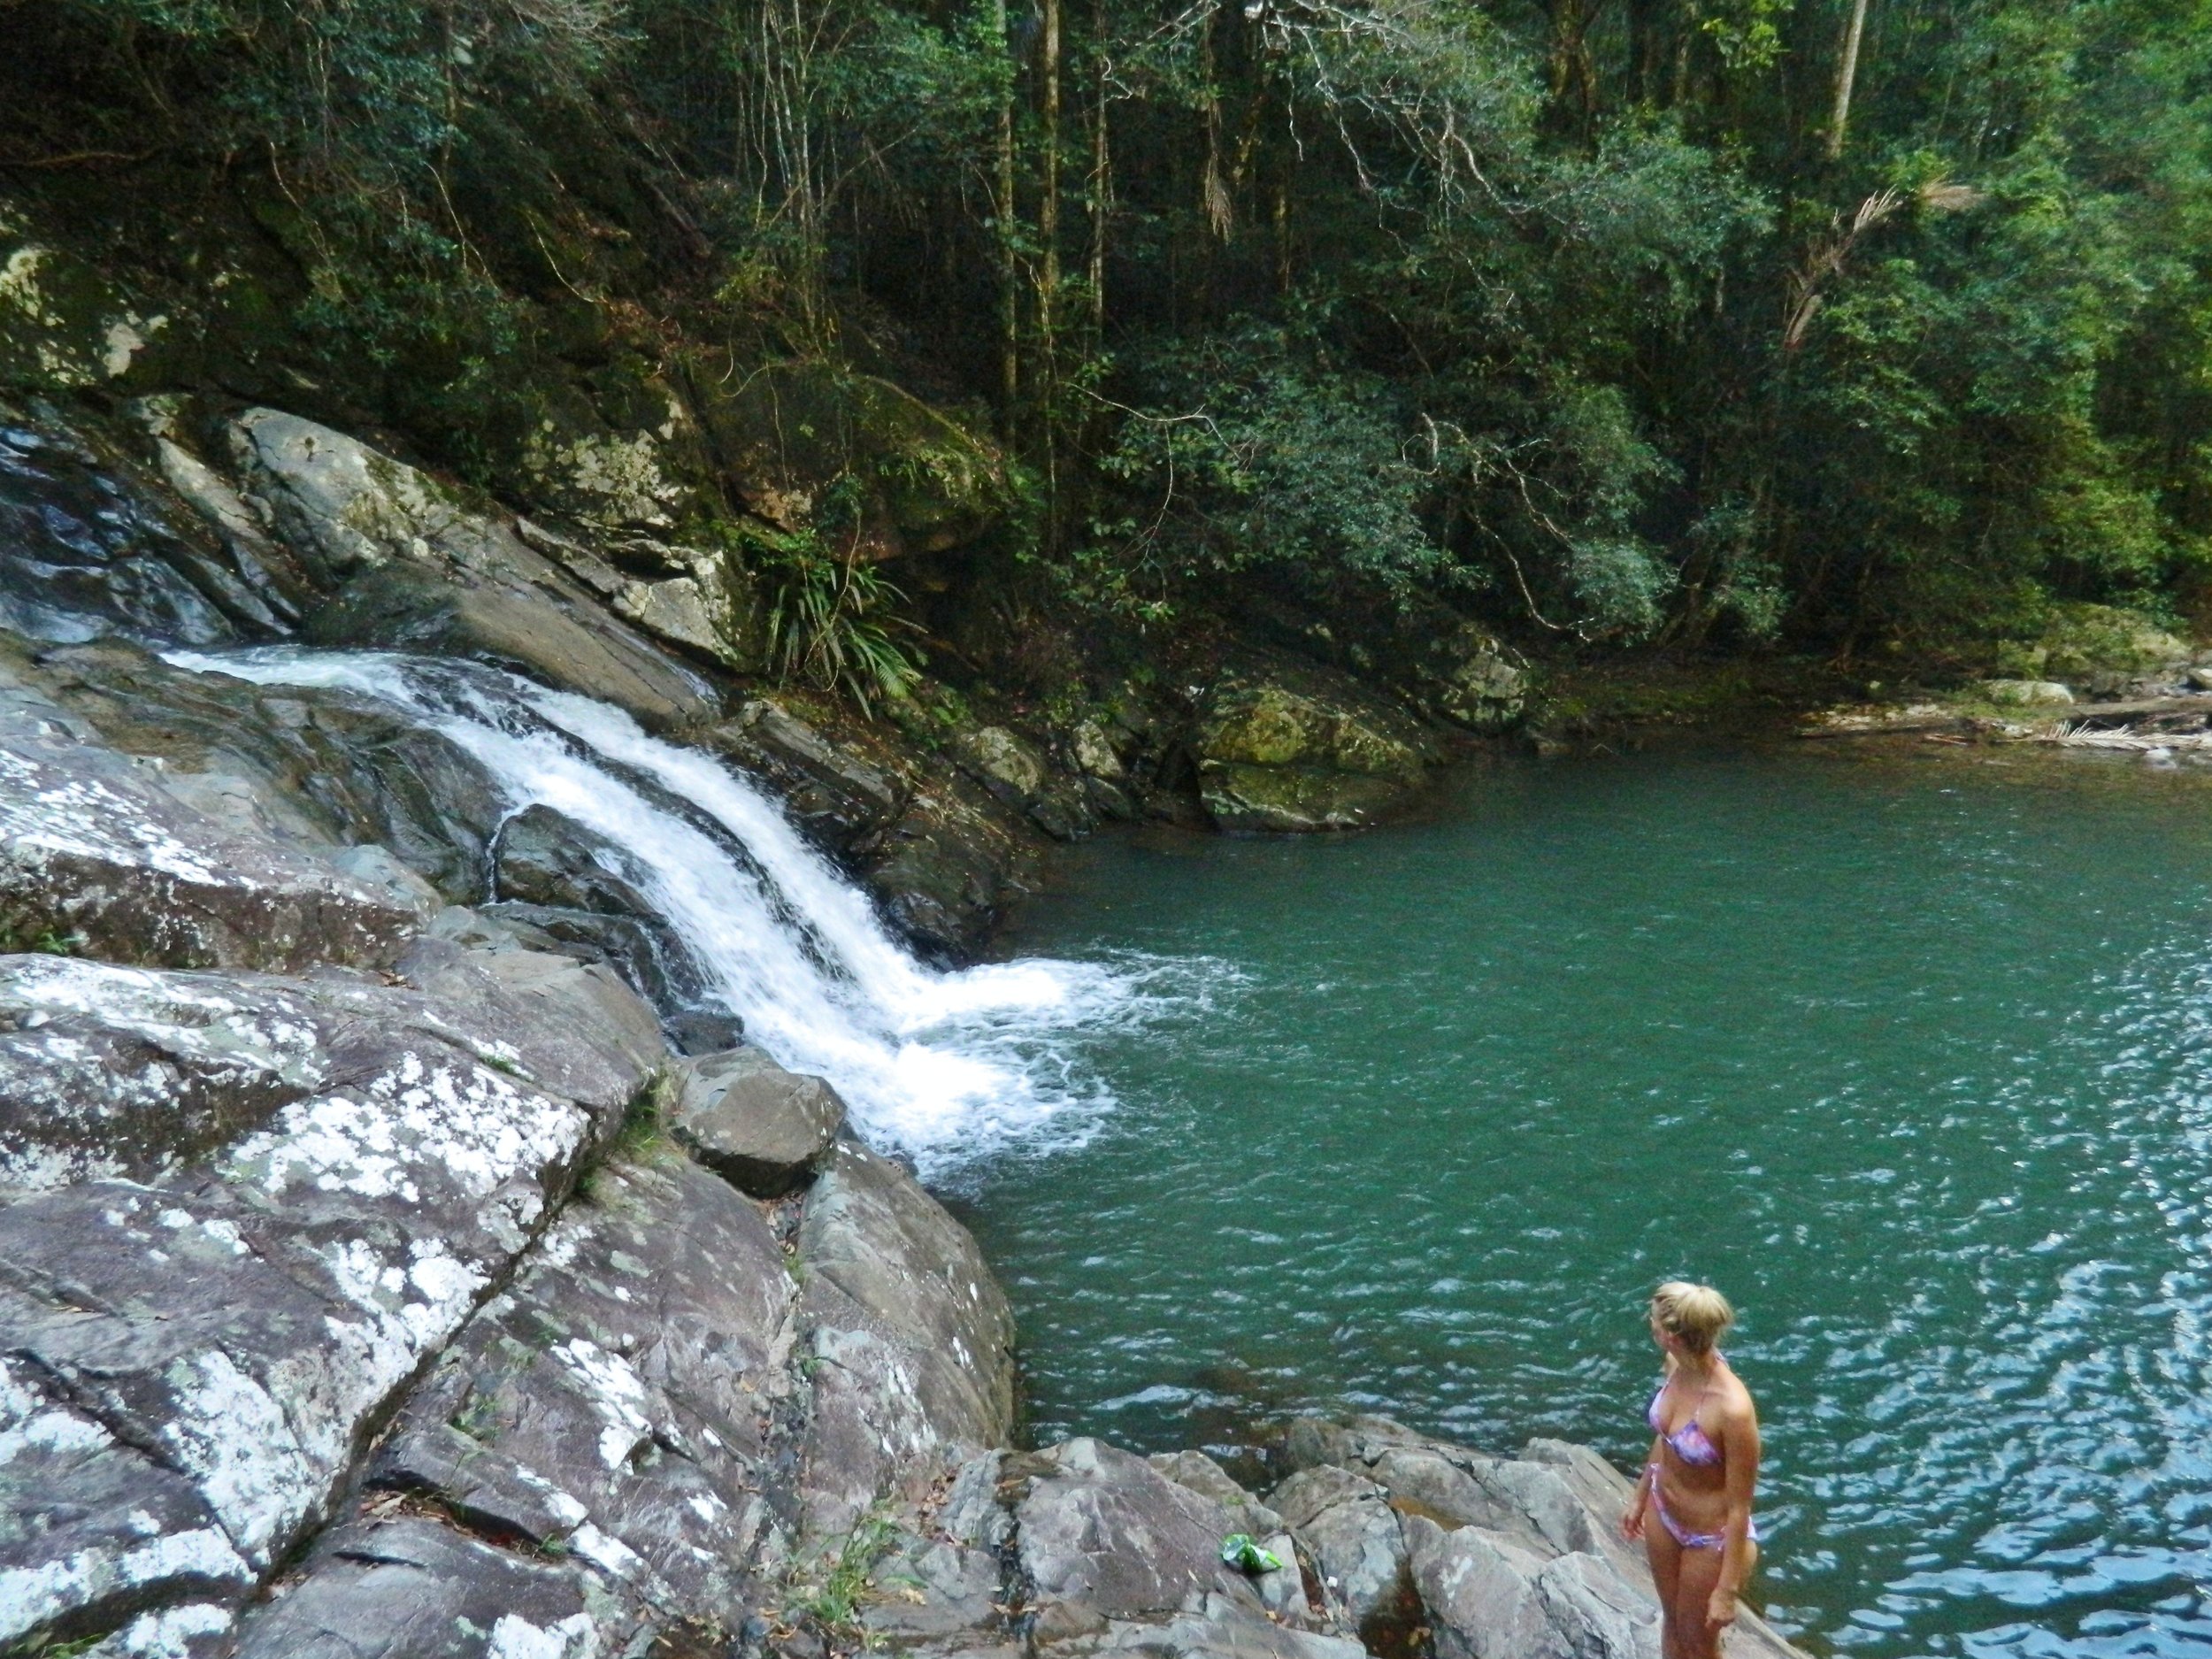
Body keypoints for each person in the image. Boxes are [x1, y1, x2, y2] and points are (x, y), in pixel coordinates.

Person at [1621, 1281, 1760, 1659]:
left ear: (1670, 1335)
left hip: (1708, 1538)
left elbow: (1740, 1507)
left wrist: (1726, 1592)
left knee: (1698, 1642)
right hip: (1663, 1514)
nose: (1650, 1324)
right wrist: (1639, 1495)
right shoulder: (1676, 1367)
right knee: (1673, 1624)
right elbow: (1665, 1440)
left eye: (1653, 1319)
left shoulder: (1732, 1410)